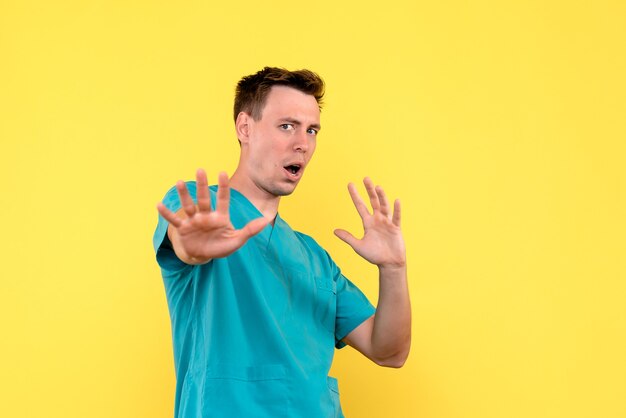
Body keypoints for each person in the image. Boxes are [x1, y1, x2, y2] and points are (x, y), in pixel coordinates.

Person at [153, 67, 411, 418]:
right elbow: (185, 243)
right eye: (287, 126)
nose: (302, 143)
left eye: (312, 130)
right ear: (245, 128)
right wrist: (191, 247)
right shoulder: (203, 209)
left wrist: (393, 269)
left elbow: (389, 352)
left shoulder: (317, 260)